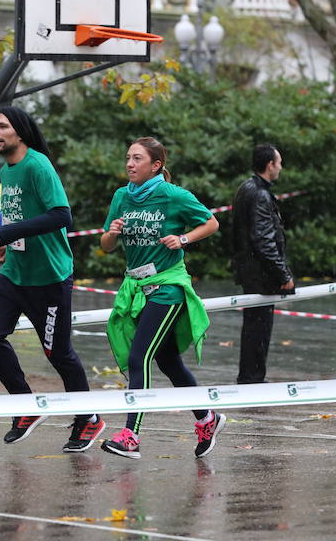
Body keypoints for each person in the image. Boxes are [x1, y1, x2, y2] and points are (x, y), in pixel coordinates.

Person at [0, 106, 105, 453]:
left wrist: (7, 232)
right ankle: (27, 407)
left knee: (58, 354)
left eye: (2, 126)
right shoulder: (8, 170)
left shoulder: (38, 165)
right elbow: (19, 215)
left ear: (20, 131)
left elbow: (62, 215)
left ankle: (88, 419)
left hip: (49, 277)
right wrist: (9, 244)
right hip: (15, 274)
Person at [100, 137, 225, 460]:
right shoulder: (121, 197)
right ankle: (207, 418)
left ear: (155, 165)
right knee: (168, 360)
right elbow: (106, 246)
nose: (129, 164)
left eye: (137, 159)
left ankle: (131, 436)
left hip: (167, 286)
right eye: (127, 157)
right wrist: (112, 233)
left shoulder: (172, 195)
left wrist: (183, 238)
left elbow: (211, 223)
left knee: (138, 357)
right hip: (138, 289)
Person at [231, 144, 295, 384]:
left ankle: (251, 377)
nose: (280, 167)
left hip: (250, 271)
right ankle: (252, 379)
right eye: (279, 163)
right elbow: (264, 240)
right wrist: (284, 275)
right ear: (270, 165)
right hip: (260, 275)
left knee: (253, 328)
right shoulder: (260, 194)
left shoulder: (247, 188)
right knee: (258, 329)